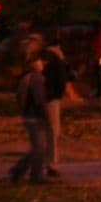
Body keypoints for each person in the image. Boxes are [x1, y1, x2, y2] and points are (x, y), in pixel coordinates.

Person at [9, 52, 53, 183]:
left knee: (37, 147)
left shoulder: (27, 77)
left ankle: (18, 170)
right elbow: (39, 100)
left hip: (28, 116)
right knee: (39, 147)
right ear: (35, 64)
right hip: (35, 117)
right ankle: (35, 176)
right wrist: (46, 117)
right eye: (40, 62)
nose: (43, 64)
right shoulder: (37, 78)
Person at [41, 40, 69, 175]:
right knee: (52, 132)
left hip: (50, 99)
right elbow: (61, 84)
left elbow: (60, 84)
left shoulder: (52, 66)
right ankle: (50, 162)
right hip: (51, 100)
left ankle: (49, 162)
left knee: (50, 132)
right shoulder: (56, 66)